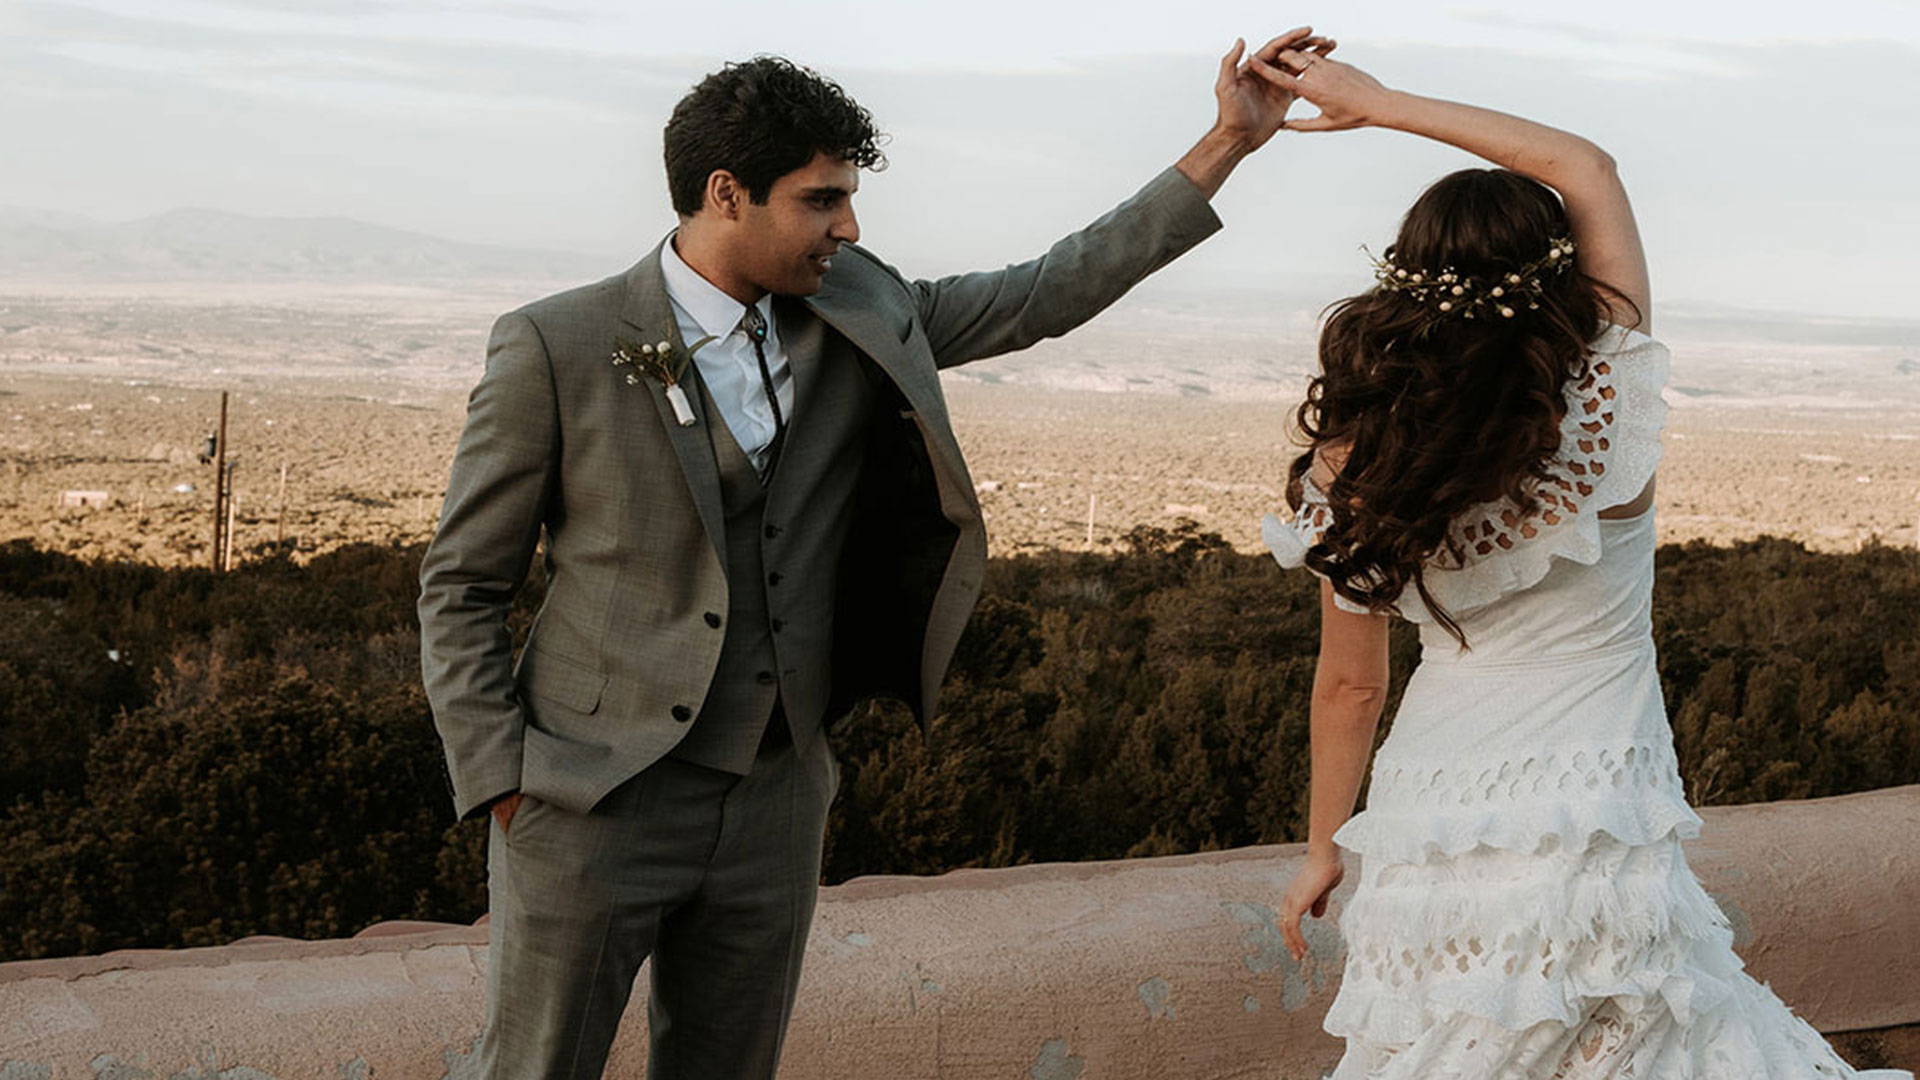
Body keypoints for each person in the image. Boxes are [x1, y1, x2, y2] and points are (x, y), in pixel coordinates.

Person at [417, 32, 1331, 1080]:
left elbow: (1043, 291)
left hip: (776, 796)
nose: (847, 226)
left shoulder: (862, 308)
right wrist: (502, 779)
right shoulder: (555, 344)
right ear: (727, 193)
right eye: (820, 200)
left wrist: (1227, 143)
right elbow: (462, 583)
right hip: (590, 798)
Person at [1248, 46, 1914, 1079]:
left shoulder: (1360, 459)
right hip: (1595, 803)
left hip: (1432, 814)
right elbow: (1588, 167)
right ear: (1553, 275)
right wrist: (1378, 106)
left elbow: (1348, 684)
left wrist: (1325, 848)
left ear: (1404, 278)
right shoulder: (1606, 396)